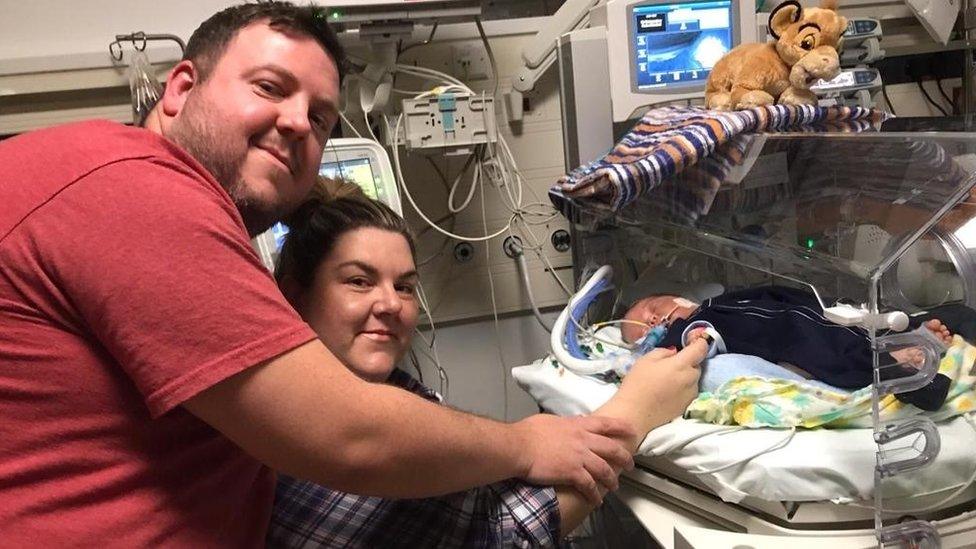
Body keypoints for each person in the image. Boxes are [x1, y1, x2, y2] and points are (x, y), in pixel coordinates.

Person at [0, 3, 648, 545]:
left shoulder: (132, 193)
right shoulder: (130, 186)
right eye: (270, 87)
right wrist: (531, 442)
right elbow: (351, 435)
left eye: (320, 117)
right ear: (180, 90)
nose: (295, 124)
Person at [266, 180, 709, 547]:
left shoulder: (405, 398)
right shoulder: (288, 428)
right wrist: (635, 412)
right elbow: (503, 534)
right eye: (359, 281)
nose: (390, 304)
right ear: (294, 296)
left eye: (404, 286)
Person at [622, 286, 955, 410]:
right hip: (783, 335)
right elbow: (692, 341)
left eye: (652, 307)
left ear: (678, 295)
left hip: (797, 312)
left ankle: (903, 333)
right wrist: (692, 339)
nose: (652, 320)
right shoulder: (686, 327)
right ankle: (895, 365)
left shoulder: (716, 301)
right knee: (822, 350)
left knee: (837, 321)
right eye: (642, 328)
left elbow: (776, 294)